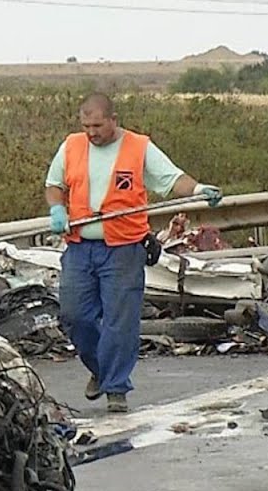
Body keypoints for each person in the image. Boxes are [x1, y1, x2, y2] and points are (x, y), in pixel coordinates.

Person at [43, 93, 222, 413]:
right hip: (81, 247)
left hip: (124, 248)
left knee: (119, 321)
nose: (92, 132)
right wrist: (57, 208)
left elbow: (172, 179)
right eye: (86, 126)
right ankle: (101, 368)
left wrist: (197, 190)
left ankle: (115, 387)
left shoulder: (138, 147)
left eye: (98, 125)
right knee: (75, 315)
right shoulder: (71, 146)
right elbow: (54, 184)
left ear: (114, 119)